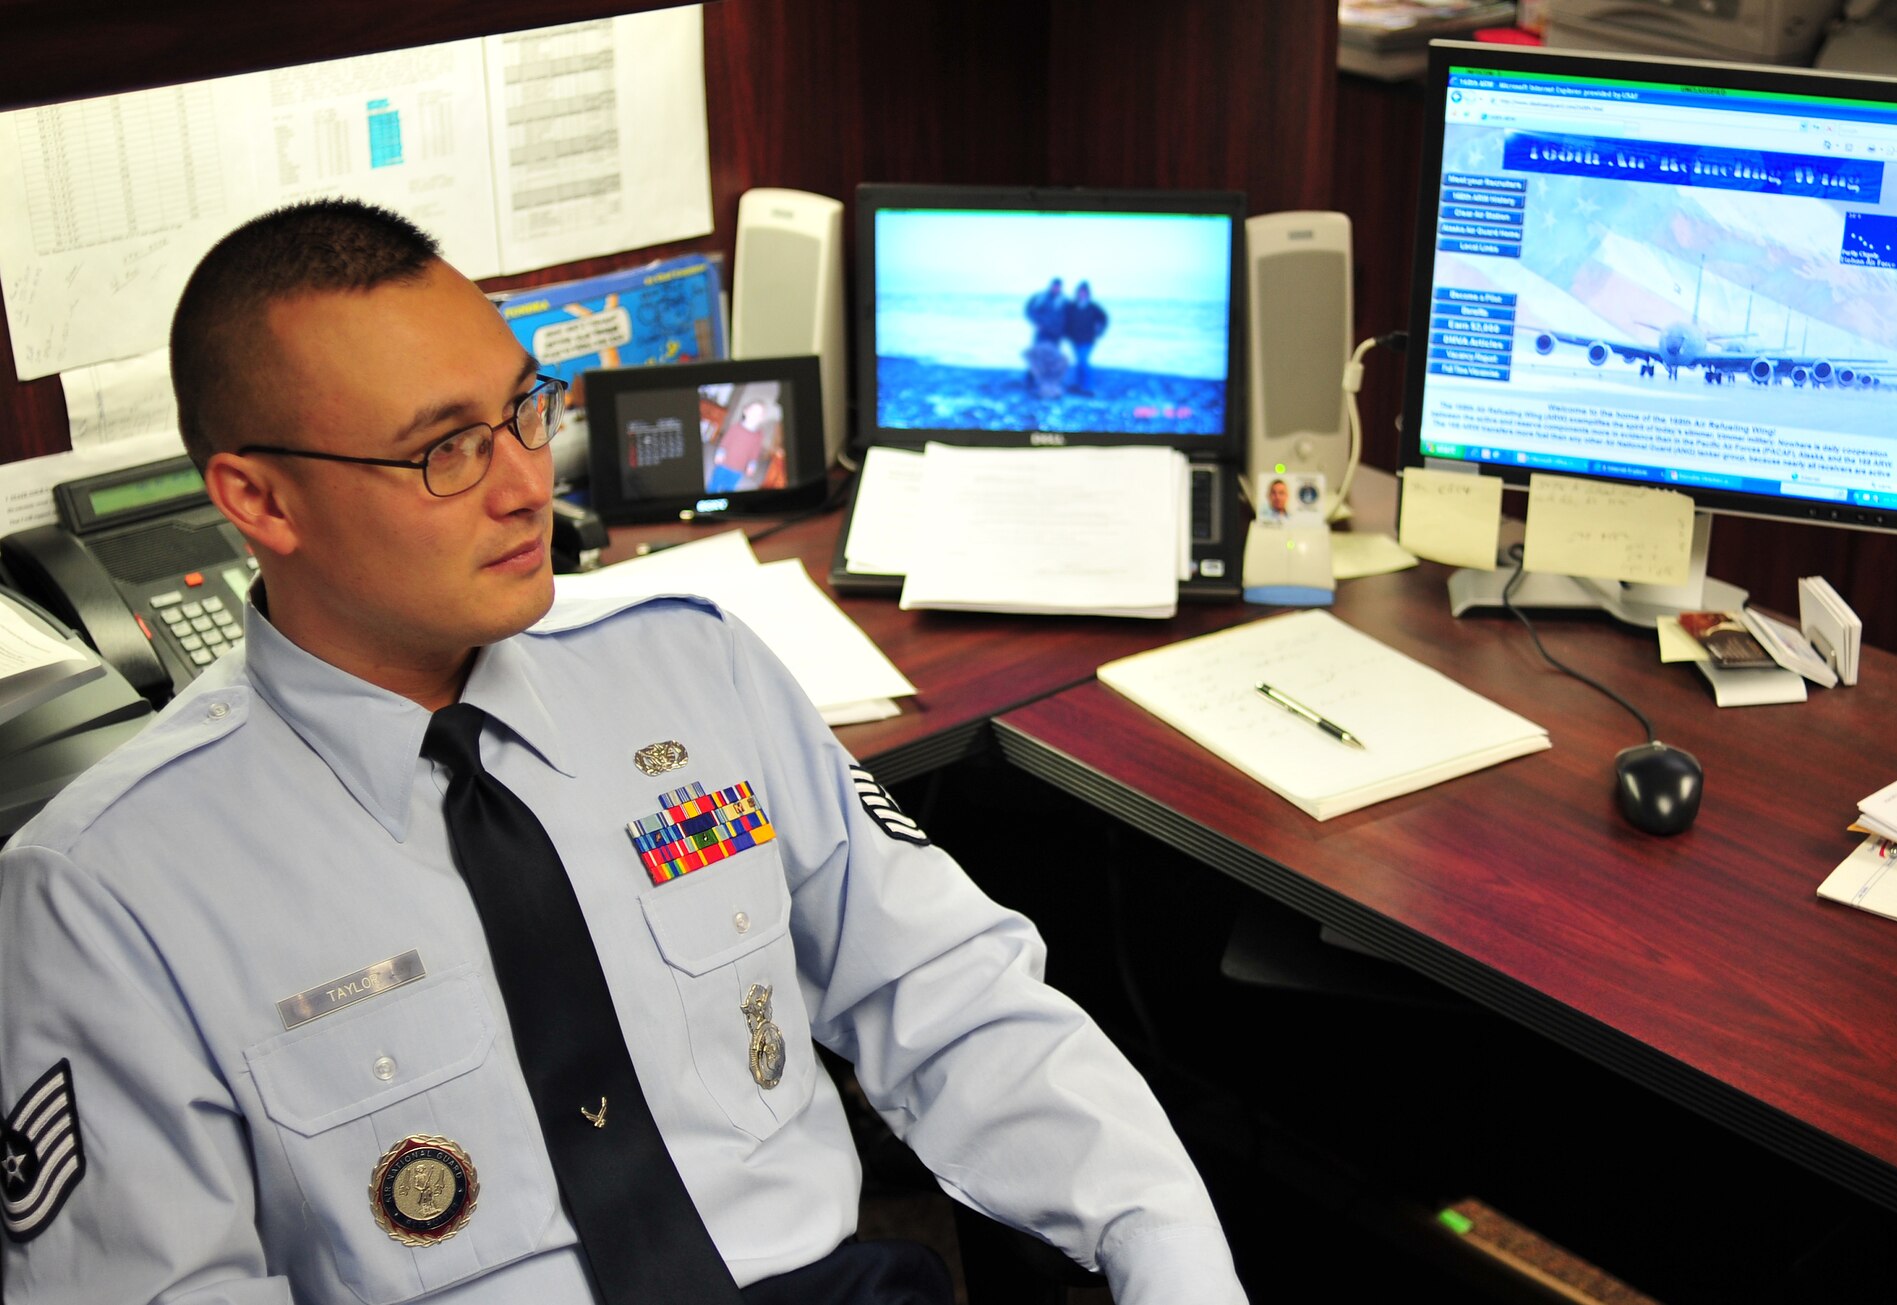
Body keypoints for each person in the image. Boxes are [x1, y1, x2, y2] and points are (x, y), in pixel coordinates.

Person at [0, 200, 1248, 1304]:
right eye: (445, 450)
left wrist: (1170, 1255)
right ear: (260, 502)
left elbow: (957, 1004)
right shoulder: (104, 892)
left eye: (523, 412)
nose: (523, 485)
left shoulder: (698, 671)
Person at [711, 396, 775, 492]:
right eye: (753, 411)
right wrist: (720, 453)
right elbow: (725, 441)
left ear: (761, 418)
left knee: (730, 487)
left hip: (739, 469)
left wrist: (752, 464)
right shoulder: (735, 427)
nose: (755, 415)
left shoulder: (758, 436)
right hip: (724, 463)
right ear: (745, 411)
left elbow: (755, 451)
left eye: (759, 414)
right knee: (715, 483)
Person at [1064, 280, 1110, 393]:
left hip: (1088, 339)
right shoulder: (1072, 306)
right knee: (1079, 362)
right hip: (1075, 339)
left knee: (1083, 361)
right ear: (1077, 293)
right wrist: (1067, 333)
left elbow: (1104, 318)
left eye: (1084, 292)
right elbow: (1066, 320)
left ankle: (1087, 387)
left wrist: (1100, 331)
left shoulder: (1093, 307)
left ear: (1088, 293)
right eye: (1080, 292)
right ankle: (1079, 385)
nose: (1082, 294)